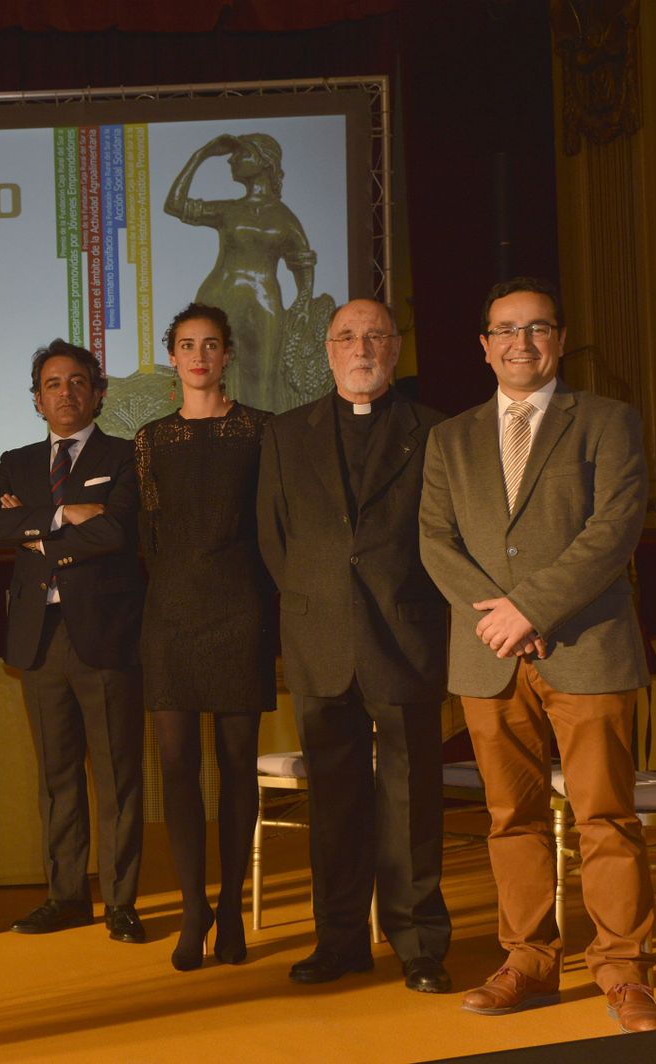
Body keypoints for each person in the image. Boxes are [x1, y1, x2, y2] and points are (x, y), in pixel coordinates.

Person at [419, 277, 656, 1032]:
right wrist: (502, 618)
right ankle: (527, 959)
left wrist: (533, 607)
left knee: (606, 817)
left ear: (557, 340)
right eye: (505, 330)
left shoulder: (607, 421)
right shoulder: (449, 437)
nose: (520, 343)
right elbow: (435, 540)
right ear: (485, 345)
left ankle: (624, 973)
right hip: (488, 655)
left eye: (537, 329)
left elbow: (614, 528)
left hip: (587, 647)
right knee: (511, 820)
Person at [257, 298, 452, 993]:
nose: (360, 346)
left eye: (375, 335)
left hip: (406, 637)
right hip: (320, 640)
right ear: (328, 350)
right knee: (333, 805)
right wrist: (320, 601)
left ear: (396, 349)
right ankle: (339, 939)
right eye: (346, 336)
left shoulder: (434, 432)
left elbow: (444, 538)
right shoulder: (285, 435)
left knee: (411, 803)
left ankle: (419, 944)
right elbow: (275, 540)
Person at [0, 340, 145, 944]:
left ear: (98, 393)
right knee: (57, 777)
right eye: (52, 384)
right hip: (39, 639)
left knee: (118, 777)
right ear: (36, 399)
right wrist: (64, 515)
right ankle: (66, 895)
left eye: (77, 382)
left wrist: (37, 529)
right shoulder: (16, 460)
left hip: (106, 637)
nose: (65, 392)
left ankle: (122, 903)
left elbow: (119, 530)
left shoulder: (126, 455)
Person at [136, 303, 274, 971]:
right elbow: (147, 534)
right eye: (186, 344)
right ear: (173, 355)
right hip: (170, 614)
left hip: (240, 608)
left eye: (210, 344)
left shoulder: (261, 430)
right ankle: (195, 911)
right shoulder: (150, 438)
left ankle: (232, 910)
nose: (198, 355)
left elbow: (272, 525)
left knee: (238, 766)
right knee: (178, 769)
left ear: (227, 356)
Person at [164, 133, 321, 412]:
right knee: (209, 377)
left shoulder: (284, 217)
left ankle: (264, 448)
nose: (232, 160)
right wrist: (201, 154)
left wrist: (304, 299)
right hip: (219, 297)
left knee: (264, 378)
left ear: (263, 160)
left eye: (242, 153)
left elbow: (302, 261)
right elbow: (175, 204)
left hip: (265, 302)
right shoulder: (230, 211)